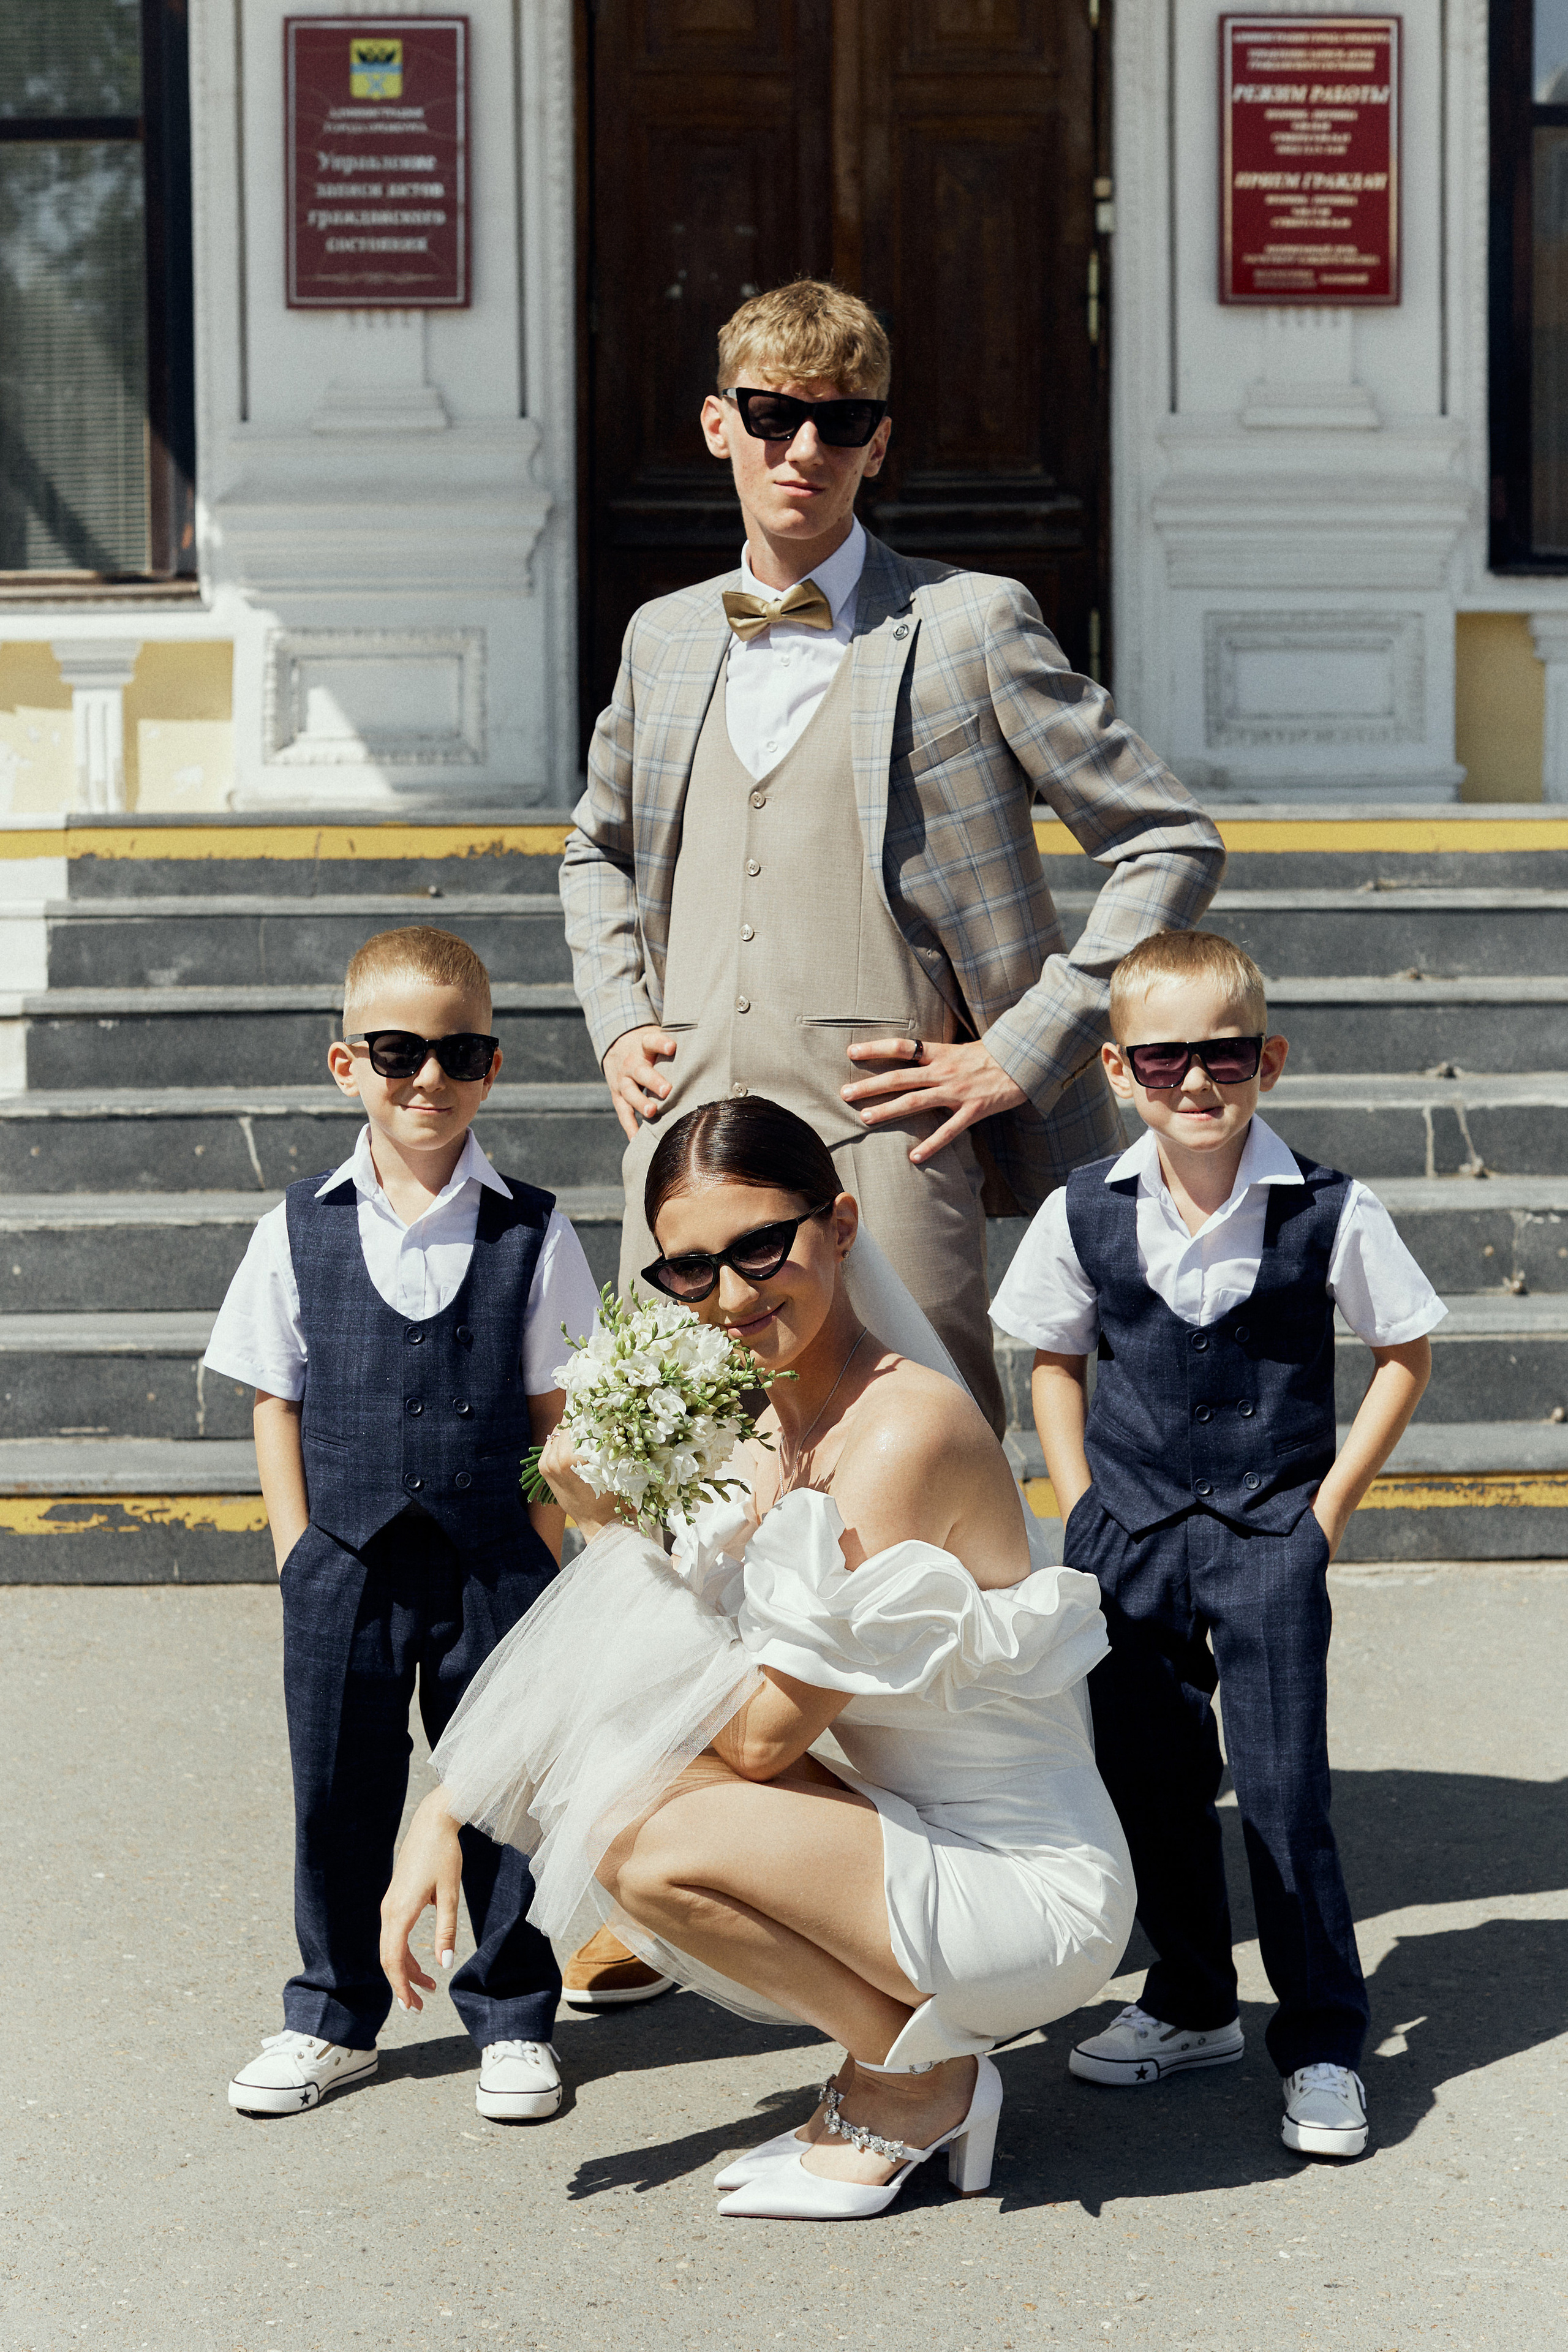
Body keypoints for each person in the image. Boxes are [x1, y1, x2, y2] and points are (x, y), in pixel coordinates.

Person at [380, 1096, 1136, 2220]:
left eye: (760, 1248)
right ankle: (899, 2068)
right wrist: (452, 1803)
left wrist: (624, 1522)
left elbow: (760, 1736)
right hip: (899, 1829)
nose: (731, 1297)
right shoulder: (756, 1420)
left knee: (635, 1829)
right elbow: (649, 1657)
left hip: (1025, 1886)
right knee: (623, 1805)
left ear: (838, 1224)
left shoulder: (901, 1433)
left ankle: (921, 2080)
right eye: (691, 1271)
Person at [561, 274, 1224, 1441]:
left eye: (842, 421)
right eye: (773, 414)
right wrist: (618, 1018)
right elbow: (596, 849)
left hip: (890, 1145)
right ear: (721, 424)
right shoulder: (663, 638)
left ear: (881, 443)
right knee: (686, 1486)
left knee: (926, 1466)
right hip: (689, 1138)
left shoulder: (973, 623)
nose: (803, 448)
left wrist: (1019, 1052)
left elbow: (1167, 838)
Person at [990, 928, 1445, 2160]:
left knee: (1286, 1797)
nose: (1194, 1083)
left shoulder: (1326, 1206)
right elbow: (1050, 1355)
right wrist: (1079, 1500)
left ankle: (1320, 2043)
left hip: (1266, 1534)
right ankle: (1190, 1999)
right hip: (1124, 1538)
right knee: (1151, 1781)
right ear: (1114, 1069)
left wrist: (1326, 1513)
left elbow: (1402, 1350)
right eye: (1162, 1060)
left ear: (1269, 1059)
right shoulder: (1083, 1206)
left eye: (1225, 1056)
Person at [205, 926, 604, 2126]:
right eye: (396, 1052)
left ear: (493, 1067)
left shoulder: (531, 1229)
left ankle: (513, 2014)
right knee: (339, 1792)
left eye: (460, 1052)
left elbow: (560, 1411)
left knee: (504, 1793)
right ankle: (329, 2015)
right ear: (346, 1066)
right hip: (343, 1562)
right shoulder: (298, 1226)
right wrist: (294, 1553)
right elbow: (274, 1397)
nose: (426, 1078)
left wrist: (538, 1550)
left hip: (495, 1562)